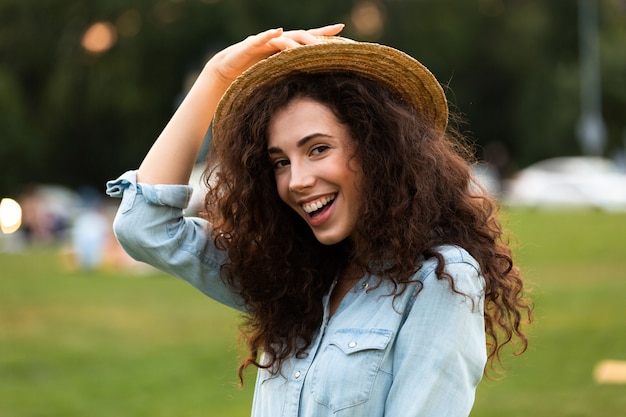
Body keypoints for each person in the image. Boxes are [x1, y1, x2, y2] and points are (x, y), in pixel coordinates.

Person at [106, 24, 532, 417]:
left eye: (318, 149)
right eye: (279, 162)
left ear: (377, 150)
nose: (297, 180)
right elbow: (144, 227)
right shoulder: (291, 270)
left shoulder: (439, 279)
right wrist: (215, 76)